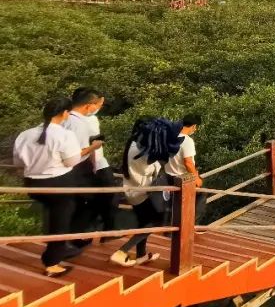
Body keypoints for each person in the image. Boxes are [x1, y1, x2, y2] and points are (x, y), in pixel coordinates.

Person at [14, 97, 100, 276]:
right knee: (61, 221)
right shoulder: (64, 135)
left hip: (32, 184)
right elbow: (72, 161)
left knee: (56, 216)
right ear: (65, 113)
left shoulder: (25, 134)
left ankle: (59, 248)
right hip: (58, 185)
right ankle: (52, 262)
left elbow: (18, 163)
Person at [111, 118, 167, 267]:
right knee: (154, 221)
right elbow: (149, 168)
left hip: (132, 189)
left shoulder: (134, 142)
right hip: (141, 192)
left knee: (144, 222)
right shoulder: (139, 151)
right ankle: (122, 252)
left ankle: (141, 254)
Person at [64, 86, 116, 236]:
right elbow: (83, 150)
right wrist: (94, 152)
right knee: (101, 199)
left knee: (87, 202)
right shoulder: (84, 121)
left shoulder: (65, 118)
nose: (99, 108)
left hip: (78, 168)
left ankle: (79, 235)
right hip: (87, 166)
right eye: (99, 104)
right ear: (88, 104)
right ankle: (83, 235)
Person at [164, 115, 205, 220]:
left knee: (174, 205)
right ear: (193, 126)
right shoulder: (187, 141)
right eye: (195, 127)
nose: (195, 129)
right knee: (200, 198)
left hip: (169, 176)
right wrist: (197, 179)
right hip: (183, 178)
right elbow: (188, 162)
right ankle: (191, 226)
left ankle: (171, 229)